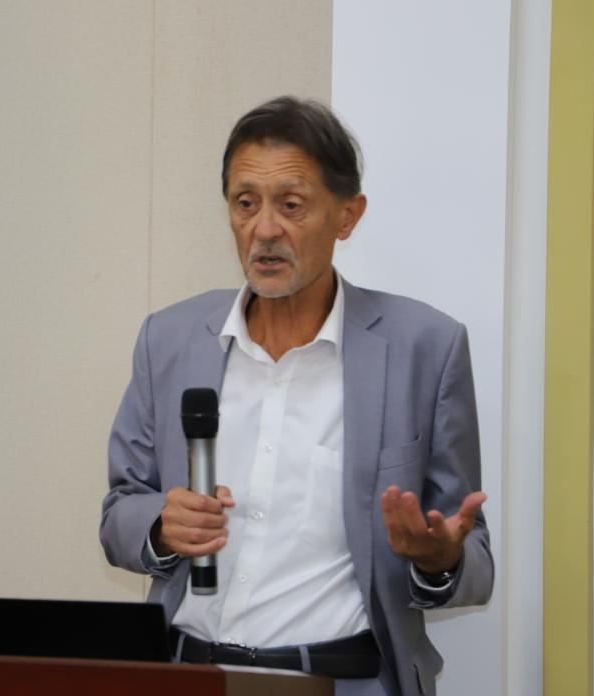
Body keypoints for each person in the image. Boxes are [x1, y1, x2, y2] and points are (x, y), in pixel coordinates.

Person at [99, 96, 493, 696]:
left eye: (291, 205)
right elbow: (119, 512)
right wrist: (160, 527)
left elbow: (474, 554)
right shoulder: (170, 339)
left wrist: (439, 558)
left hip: (343, 680)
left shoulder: (424, 348)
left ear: (347, 216)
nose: (264, 230)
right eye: (245, 203)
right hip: (189, 674)